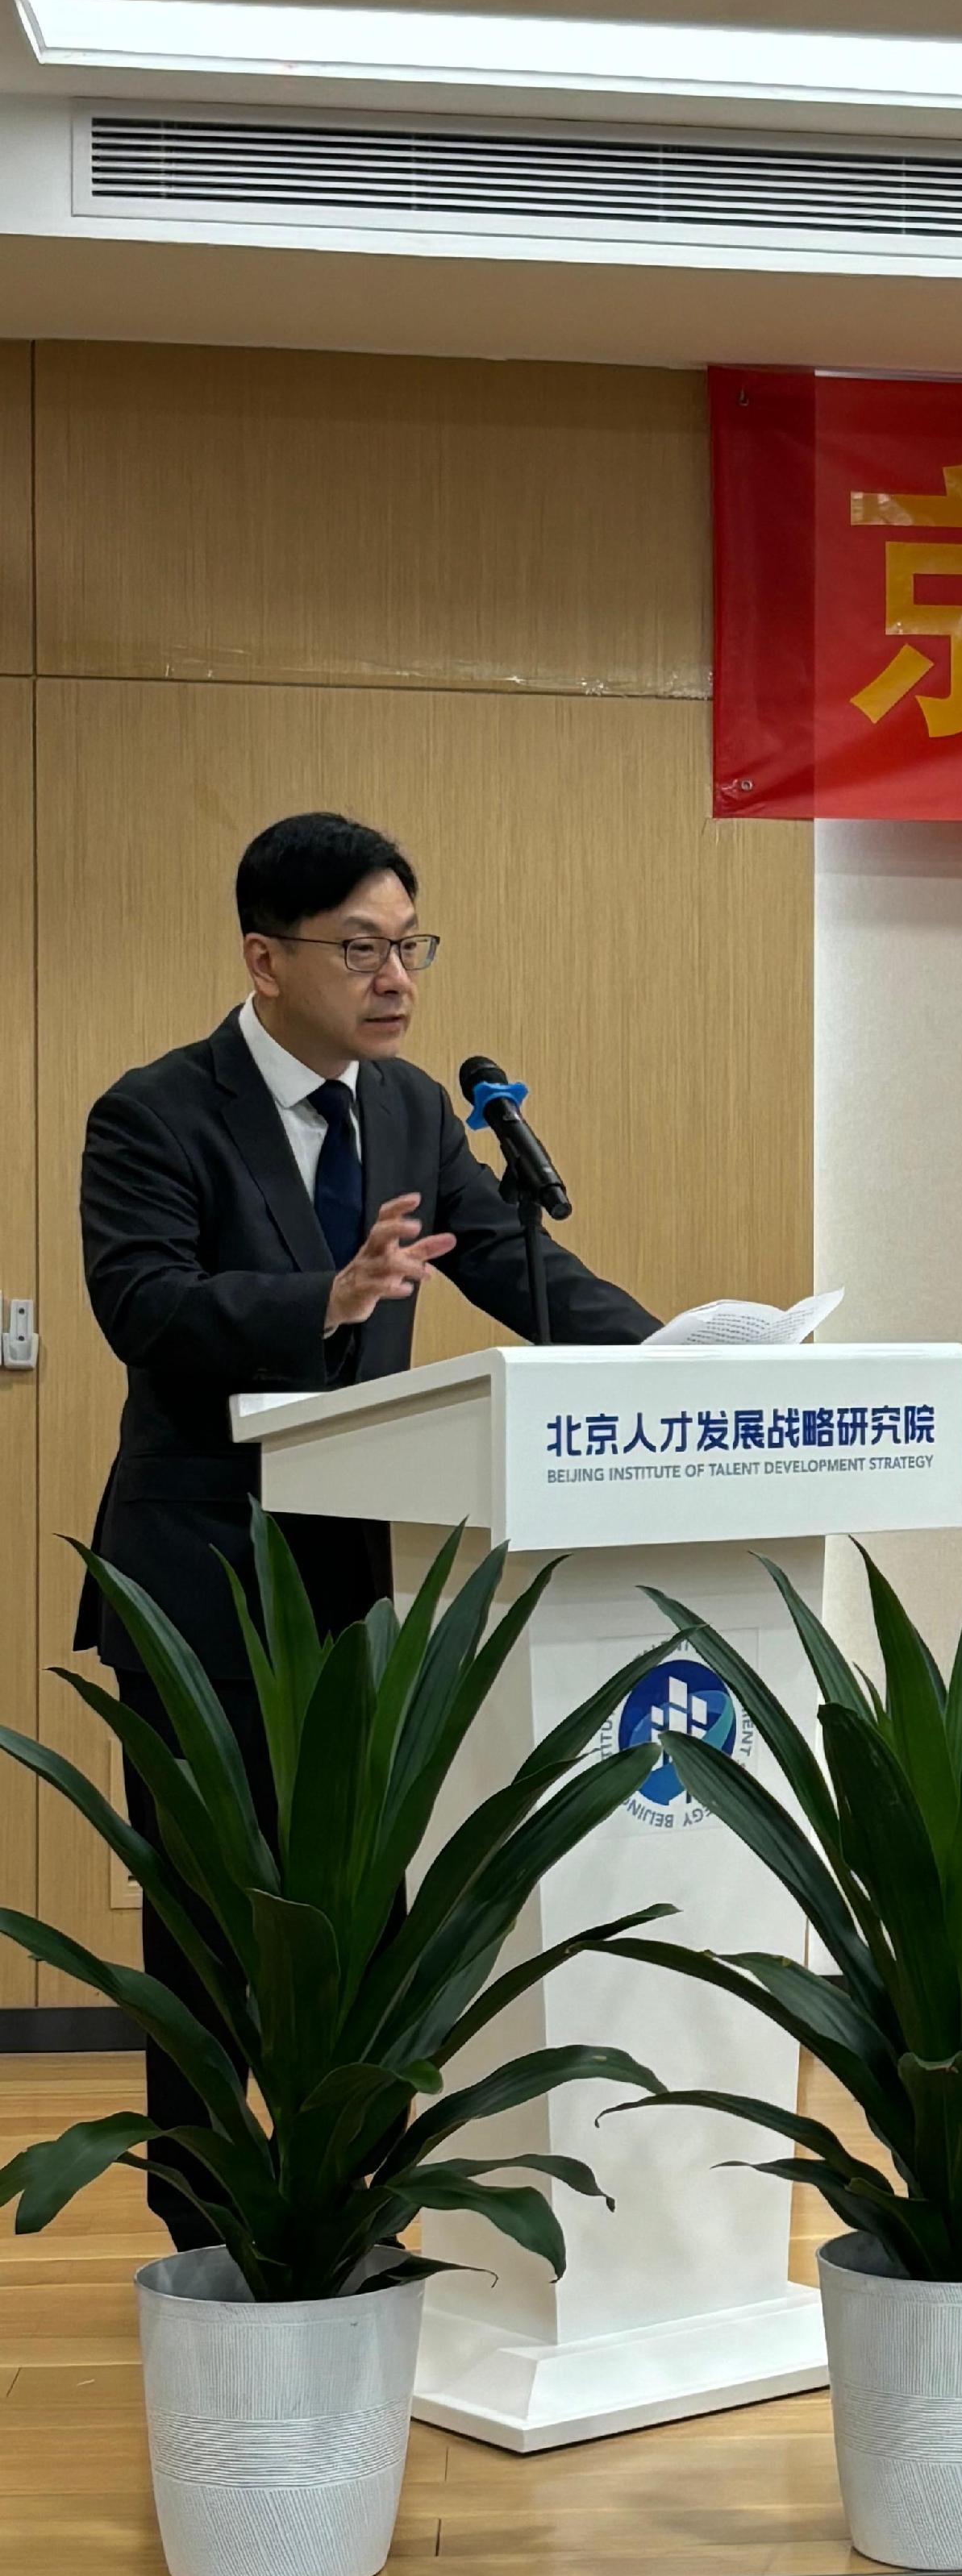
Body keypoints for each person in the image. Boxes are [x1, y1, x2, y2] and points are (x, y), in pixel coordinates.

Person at [77, 810, 658, 2247]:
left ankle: (363, 2207)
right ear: (265, 960)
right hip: (202, 1581)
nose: (396, 977)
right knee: (212, 1926)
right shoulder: (155, 1110)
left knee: (370, 1907)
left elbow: (526, 1274)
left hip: (358, 1578)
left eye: (411, 945)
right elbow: (139, 1304)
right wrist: (323, 1301)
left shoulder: (404, 1108)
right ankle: (205, 2232)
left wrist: (678, 1360)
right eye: (362, 948)